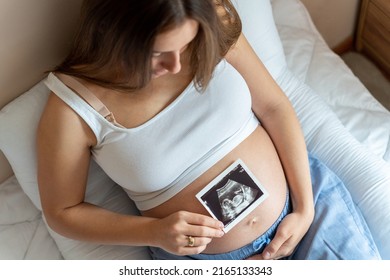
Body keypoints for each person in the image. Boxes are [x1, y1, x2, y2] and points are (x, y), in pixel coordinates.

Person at [37, 0, 380, 260]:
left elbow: (274, 107)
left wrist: (304, 209)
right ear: (112, 34)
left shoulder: (213, 19)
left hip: (303, 198)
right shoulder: (72, 109)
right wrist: (154, 232)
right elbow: (63, 212)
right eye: (157, 54)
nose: (175, 66)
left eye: (185, 46)